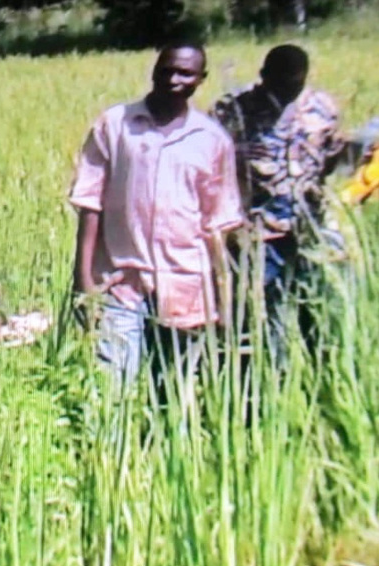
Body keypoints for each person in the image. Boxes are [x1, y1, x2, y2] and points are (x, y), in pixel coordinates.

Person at [69, 43, 242, 389]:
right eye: (167, 70)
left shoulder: (212, 140)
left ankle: (162, 443)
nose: (174, 79)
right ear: (154, 71)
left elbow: (218, 225)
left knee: (175, 389)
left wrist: (224, 296)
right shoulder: (115, 125)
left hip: (186, 284)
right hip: (120, 282)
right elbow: (90, 203)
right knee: (112, 388)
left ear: (201, 80)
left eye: (186, 73)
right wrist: (82, 279)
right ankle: (111, 445)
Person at [210, 44, 345, 362]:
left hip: (310, 227)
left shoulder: (321, 107)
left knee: (318, 307)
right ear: (264, 76)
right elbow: (204, 159)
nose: (289, 89)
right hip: (257, 232)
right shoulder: (234, 108)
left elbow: (333, 156)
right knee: (262, 315)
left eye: (296, 82)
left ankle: (322, 376)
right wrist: (237, 154)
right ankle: (268, 381)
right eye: (281, 81)